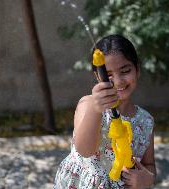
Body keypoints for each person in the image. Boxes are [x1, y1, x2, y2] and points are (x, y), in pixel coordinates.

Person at [53, 34, 156, 189]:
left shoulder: (146, 121)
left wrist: (148, 179)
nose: (119, 81)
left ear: (137, 70)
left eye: (125, 71)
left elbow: (149, 164)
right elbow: (84, 150)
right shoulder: (89, 105)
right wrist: (96, 109)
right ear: (98, 77)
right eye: (108, 75)